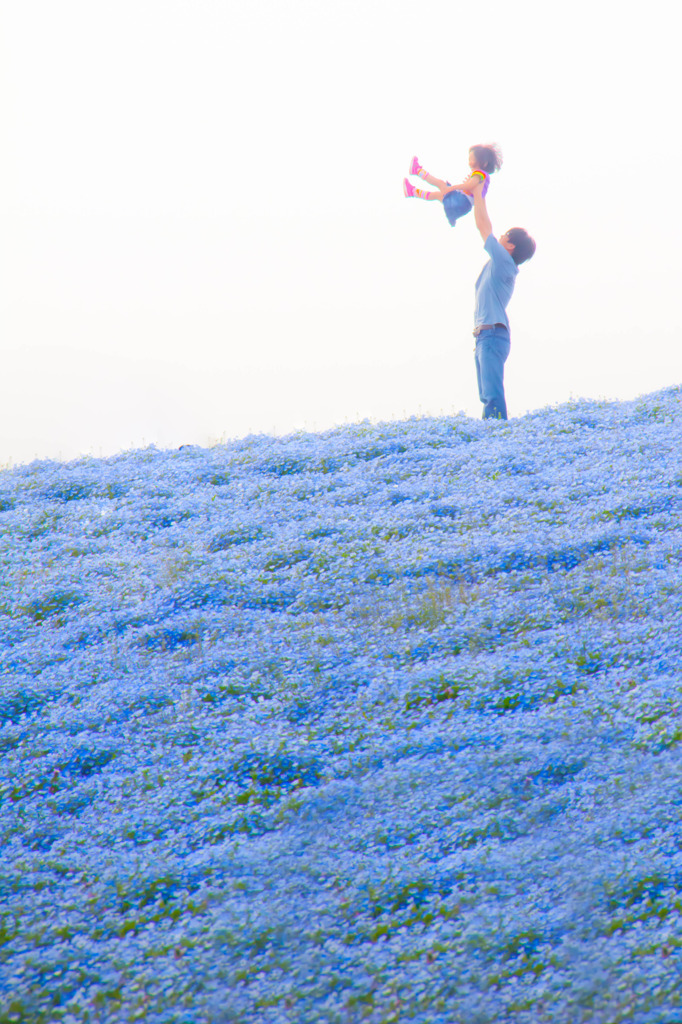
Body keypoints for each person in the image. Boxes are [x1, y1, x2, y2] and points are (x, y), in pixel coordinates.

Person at [468, 178, 536, 420]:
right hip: (485, 335)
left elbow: (483, 226)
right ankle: (492, 443)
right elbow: (485, 228)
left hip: (492, 335)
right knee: (487, 395)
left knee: (492, 396)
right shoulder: (500, 263)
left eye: (505, 235)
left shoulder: (504, 263)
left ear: (509, 246)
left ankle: (496, 441)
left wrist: (478, 192)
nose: (499, 237)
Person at [403, 144, 503, 226]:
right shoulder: (481, 175)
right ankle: (413, 185)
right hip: (463, 204)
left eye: (472, 159)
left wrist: (452, 188)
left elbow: (469, 185)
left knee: (440, 189)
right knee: (439, 191)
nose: (469, 163)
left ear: (483, 163)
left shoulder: (481, 174)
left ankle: (416, 175)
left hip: (462, 201)